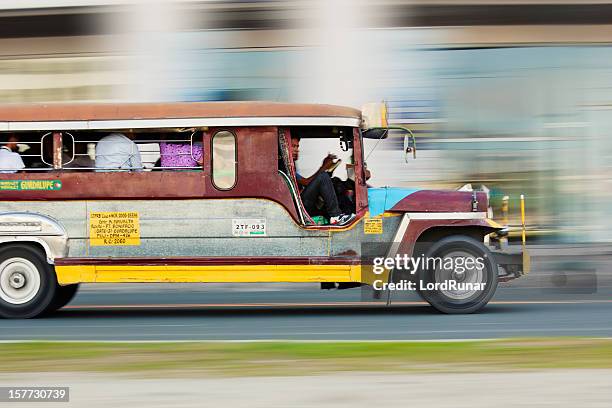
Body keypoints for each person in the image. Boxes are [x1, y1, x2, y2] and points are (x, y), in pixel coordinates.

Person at [291, 137, 355, 226]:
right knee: (323, 177)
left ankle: (344, 214)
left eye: (297, 147)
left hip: (301, 203)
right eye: (293, 146)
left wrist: (327, 168)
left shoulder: (291, 166)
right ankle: (335, 216)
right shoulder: (285, 167)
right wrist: (323, 167)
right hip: (298, 206)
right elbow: (306, 183)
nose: (296, 150)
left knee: (334, 181)